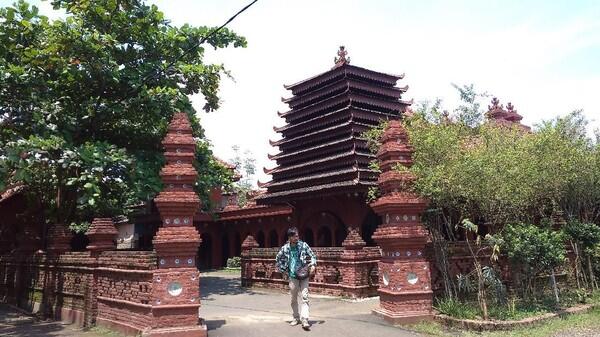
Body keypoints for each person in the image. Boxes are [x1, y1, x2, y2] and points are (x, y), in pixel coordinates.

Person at [275, 227, 317, 330]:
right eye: (295, 236)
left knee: (305, 296)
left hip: (304, 275)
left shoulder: (303, 245)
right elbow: (277, 258)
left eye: (298, 235)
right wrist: (284, 269)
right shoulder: (285, 248)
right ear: (290, 237)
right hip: (293, 276)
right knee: (293, 299)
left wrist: (312, 265)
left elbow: (313, 256)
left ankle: (305, 319)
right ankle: (295, 317)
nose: (297, 237)